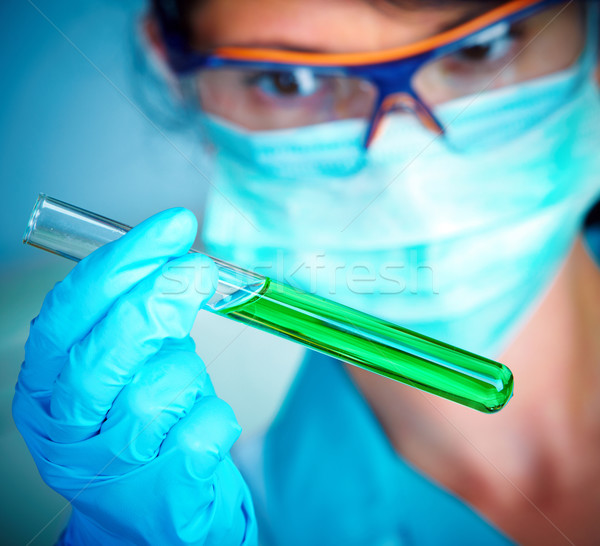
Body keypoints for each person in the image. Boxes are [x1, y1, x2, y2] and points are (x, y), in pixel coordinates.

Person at [12, 0, 600, 543]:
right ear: (177, 75)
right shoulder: (215, 520)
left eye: (481, 46)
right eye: (290, 81)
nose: (401, 159)